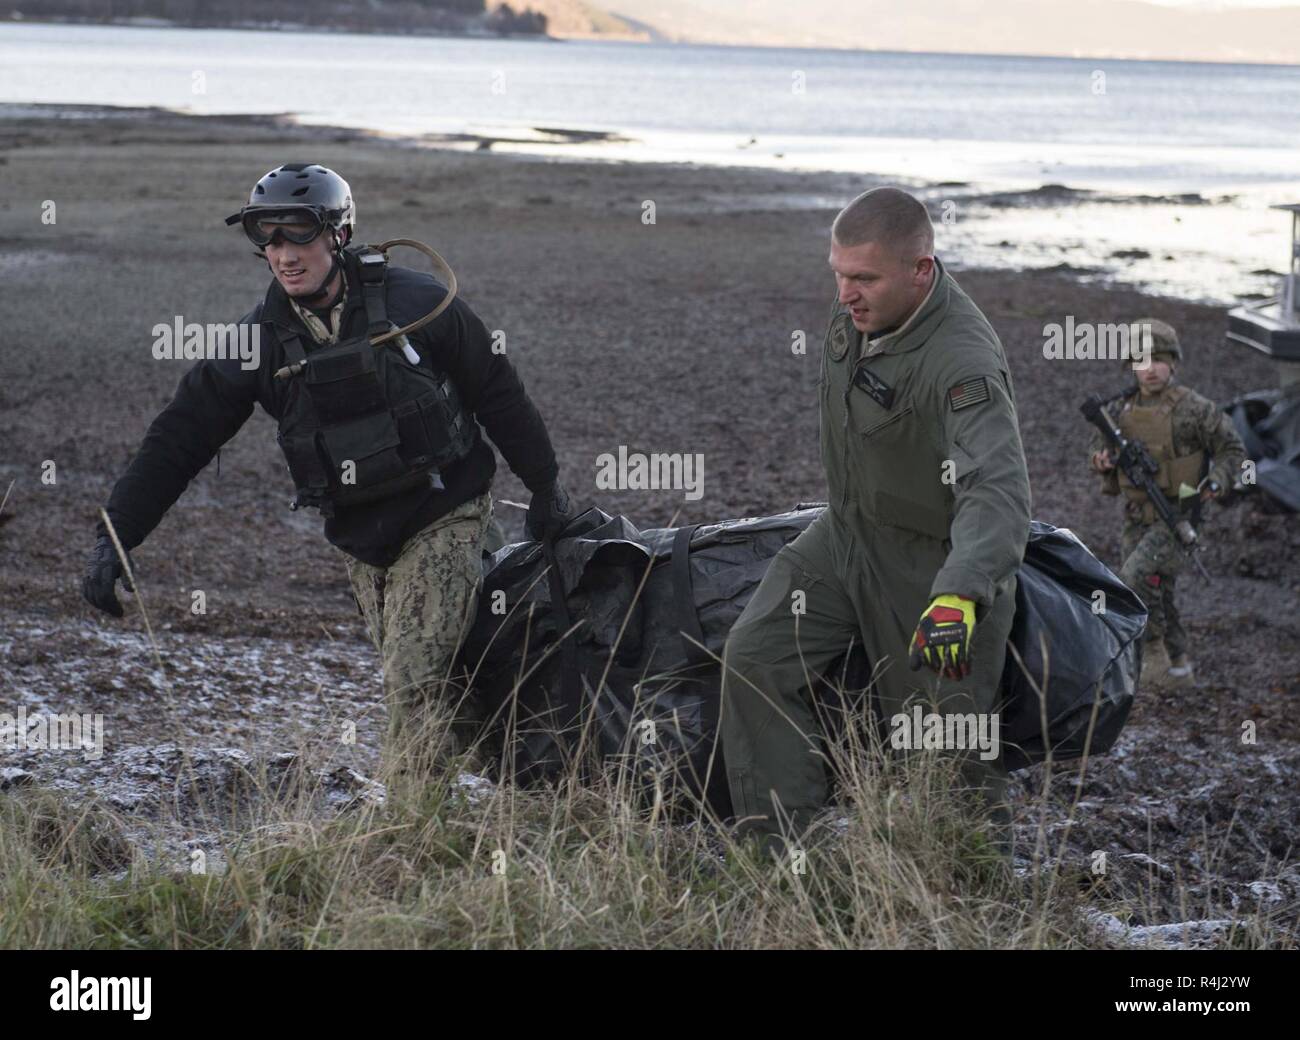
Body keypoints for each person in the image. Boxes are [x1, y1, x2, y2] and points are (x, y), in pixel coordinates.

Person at [82, 163, 575, 788]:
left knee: (414, 680)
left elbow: (496, 391)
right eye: (269, 238)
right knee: (461, 687)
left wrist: (545, 486)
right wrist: (116, 535)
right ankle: (540, 795)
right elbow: (179, 437)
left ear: (337, 234)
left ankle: (400, 843)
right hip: (362, 544)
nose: (284, 255)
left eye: (299, 235)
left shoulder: (418, 304)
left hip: (447, 517)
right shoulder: (256, 343)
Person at [719, 187, 1031, 860]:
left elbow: (997, 491)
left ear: (921, 271)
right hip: (848, 534)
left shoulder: (963, 362)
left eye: (863, 278)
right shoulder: (857, 320)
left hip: (936, 565)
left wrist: (960, 592)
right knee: (755, 657)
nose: (845, 295)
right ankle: (782, 857)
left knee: (945, 756)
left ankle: (984, 895)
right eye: (837, 274)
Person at [1088, 319, 1244, 687]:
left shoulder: (1195, 408)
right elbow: (1096, 449)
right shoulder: (1120, 410)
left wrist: (1218, 482)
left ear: (1173, 363)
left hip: (1178, 515)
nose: (1150, 368)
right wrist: (1102, 461)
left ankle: (1153, 659)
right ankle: (1180, 668)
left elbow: (1233, 450)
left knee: (1134, 580)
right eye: (1142, 359)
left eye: (1159, 359)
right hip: (1136, 515)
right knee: (1159, 588)